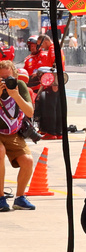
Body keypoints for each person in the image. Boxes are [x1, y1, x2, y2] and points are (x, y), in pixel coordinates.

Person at [0, 59, 36, 211]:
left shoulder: (20, 87)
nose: (5, 81)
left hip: (13, 134)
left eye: (8, 78)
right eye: (1, 78)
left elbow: (29, 112)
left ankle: (20, 198)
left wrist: (15, 95)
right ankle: (0, 197)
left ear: (15, 76)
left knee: (27, 161)